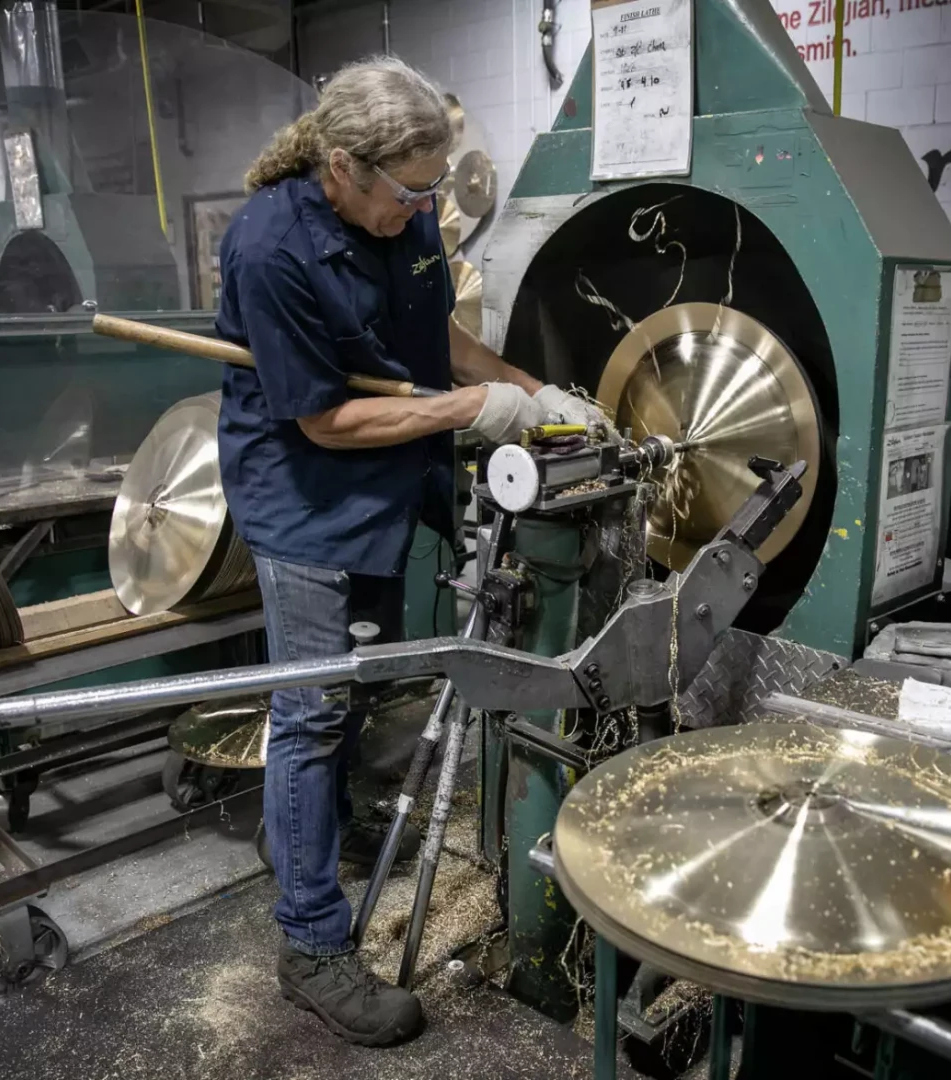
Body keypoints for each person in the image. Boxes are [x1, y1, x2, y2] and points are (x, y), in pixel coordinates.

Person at [215, 57, 602, 1047]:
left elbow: (437, 343)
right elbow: (326, 422)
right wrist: (479, 411)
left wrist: (531, 396)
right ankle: (310, 944)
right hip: (306, 494)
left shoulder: (407, 205)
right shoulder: (271, 251)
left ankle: (301, 826)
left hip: (396, 471)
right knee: (311, 707)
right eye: (409, 193)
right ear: (342, 168)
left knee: (362, 679)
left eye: (432, 190)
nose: (424, 208)